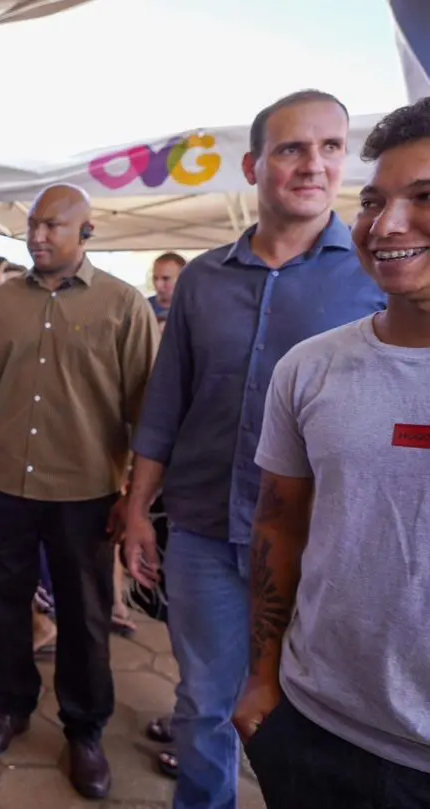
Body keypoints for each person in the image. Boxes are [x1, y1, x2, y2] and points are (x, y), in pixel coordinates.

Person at [119, 90, 386, 809]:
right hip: (203, 530)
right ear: (253, 164)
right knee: (205, 702)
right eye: (291, 148)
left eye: (330, 147)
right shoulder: (203, 279)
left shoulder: (376, 276)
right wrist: (137, 508)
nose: (313, 164)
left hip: (323, 539)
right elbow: (165, 402)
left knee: (315, 711)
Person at [234, 99, 430, 808]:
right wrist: (261, 678)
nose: (387, 224)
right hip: (316, 732)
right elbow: (279, 523)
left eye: (422, 197)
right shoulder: (310, 369)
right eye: (374, 200)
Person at [0, 183, 158, 798]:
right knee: (5, 601)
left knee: (85, 616)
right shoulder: (2, 303)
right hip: (3, 482)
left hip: (86, 492)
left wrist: (134, 498)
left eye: (53, 226)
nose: (38, 236)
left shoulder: (123, 306)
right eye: (33, 225)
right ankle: (12, 706)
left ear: (86, 233)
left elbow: (148, 415)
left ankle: (84, 730)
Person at [148, 253, 186, 324]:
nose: (158, 285)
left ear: (183, 279)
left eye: (166, 279)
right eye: (155, 278)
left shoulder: (195, 310)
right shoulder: (144, 308)